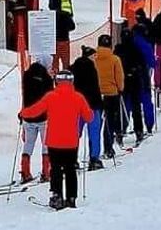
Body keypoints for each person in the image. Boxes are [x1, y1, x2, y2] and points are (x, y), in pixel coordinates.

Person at [19, 70, 94, 210]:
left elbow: (35, 110)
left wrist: (23, 113)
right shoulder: (78, 97)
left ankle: (57, 195)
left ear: (57, 82)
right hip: (71, 142)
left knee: (56, 169)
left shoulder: (50, 96)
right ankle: (71, 198)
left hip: (54, 141)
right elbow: (89, 117)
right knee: (70, 169)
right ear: (72, 81)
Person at [116, 21, 155, 141]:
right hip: (139, 80)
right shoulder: (140, 47)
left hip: (123, 82)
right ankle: (143, 128)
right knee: (140, 105)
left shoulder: (118, 49)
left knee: (124, 106)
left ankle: (121, 129)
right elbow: (147, 63)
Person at [71, 46, 105, 170]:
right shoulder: (92, 69)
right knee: (94, 133)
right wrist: (100, 104)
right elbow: (95, 89)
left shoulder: (72, 68)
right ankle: (94, 159)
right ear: (89, 56)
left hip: (76, 107)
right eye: (93, 56)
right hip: (92, 106)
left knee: (75, 133)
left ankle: (72, 159)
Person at [20, 58, 53, 182]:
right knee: (46, 145)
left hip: (28, 116)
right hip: (43, 117)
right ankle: (46, 172)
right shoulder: (47, 79)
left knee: (28, 144)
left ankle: (25, 171)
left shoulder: (26, 75)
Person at [93, 33, 125, 158]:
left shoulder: (94, 59)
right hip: (111, 94)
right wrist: (120, 89)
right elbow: (119, 77)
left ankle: (94, 150)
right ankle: (108, 147)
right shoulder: (115, 59)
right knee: (110, 122)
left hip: (96, 94)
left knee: (96, 124)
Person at [48, 0, 75, 71]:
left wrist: (69, 16)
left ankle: (64, 73)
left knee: (64, 60)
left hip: (65, 21)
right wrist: (60, 14)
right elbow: (52, 5)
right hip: (60, 21)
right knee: (57, 60)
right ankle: (57, 74)